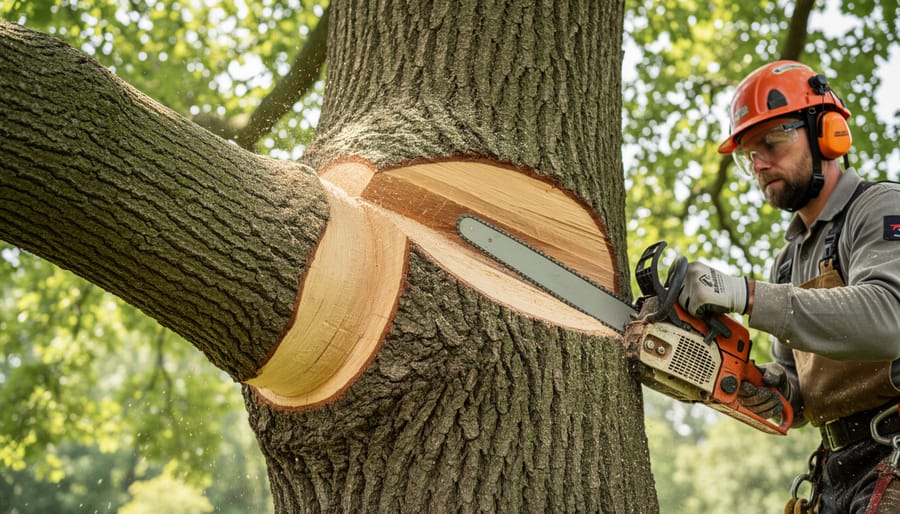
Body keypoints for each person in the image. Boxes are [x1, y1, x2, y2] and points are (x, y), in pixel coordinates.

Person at [676, 60, 900, 513]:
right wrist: (749, 380)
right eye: (748, 155)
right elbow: (796, 389)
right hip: (836, 468)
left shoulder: (880, 208)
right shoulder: (787, 262)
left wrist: (746, 295)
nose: (758, 164)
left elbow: (889, 317)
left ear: (826, 134)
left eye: (771, 143)